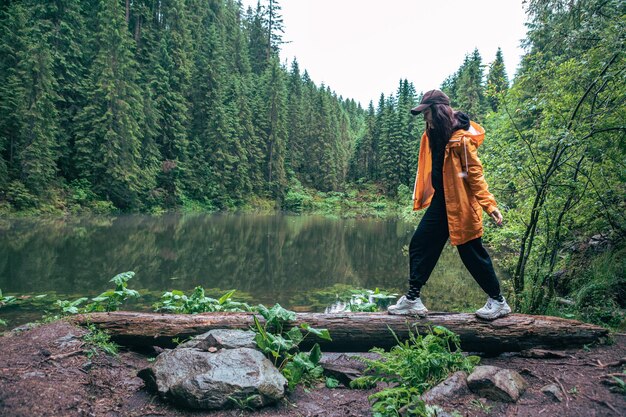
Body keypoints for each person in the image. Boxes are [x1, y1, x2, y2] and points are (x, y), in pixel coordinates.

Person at [387, 90, 511, 320]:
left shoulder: (462, 140)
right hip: (440, 202)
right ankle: (413, 299)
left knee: (471, 253)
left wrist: (489, 205)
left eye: (427, 113)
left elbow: (474, 174)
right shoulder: (433, 134)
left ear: (439, 110)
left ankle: (498, 301)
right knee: (420, 244)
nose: (425, 118)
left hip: (461, 205)